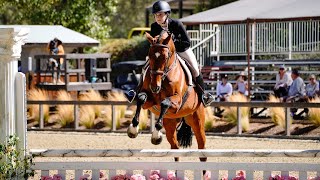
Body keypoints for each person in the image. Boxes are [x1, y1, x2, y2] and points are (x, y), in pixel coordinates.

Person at [125, 0, 214, 106]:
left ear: (167, 14)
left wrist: (171, 46)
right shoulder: (154, 27)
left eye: (160, 14)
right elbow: (154, 43)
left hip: (182, 50)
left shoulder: (176, 24)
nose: (158, 17)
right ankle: (136, 92)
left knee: (195, 69)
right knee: (145, 68)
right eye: (156, 15)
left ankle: (203, 95)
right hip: (162, 55)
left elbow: (187, 42)